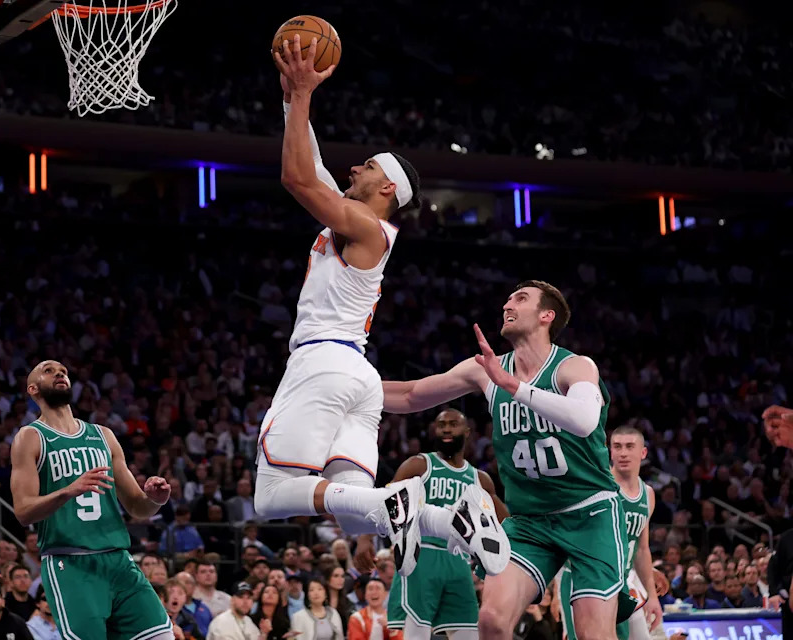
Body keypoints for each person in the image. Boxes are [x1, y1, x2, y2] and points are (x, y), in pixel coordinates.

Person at [259, 36, 429, 578]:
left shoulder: (366, 226)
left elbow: (297, 178)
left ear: (387, 189)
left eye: (370, 165)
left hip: (324, 364)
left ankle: (391, 502)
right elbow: (311, 162)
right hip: (359, 376)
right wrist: (292, 98)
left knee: (270, 496)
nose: (356, 166)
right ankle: (453, 519)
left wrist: (306, 91)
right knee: (358, 518)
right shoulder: (355, 220)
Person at [383, 281, 633, 640]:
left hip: (589, 514)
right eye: (508, 298)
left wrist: (515, 387)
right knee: (493, 622)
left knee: (593, 634)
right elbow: (410, 395)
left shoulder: (574, 367)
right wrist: (347, 391)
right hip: (531, 521)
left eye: (521, 298)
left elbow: (584, 419)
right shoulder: (487, 368)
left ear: (546, 316)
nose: (506, 304)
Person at [11, 360, 175, 640]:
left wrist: (154, 499)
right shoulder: (31, 437)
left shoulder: (103, 435)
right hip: (71, 563)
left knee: (162, 636)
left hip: (117, 559)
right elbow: (23, 511)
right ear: (33, 389)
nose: (59, 373)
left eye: (62, 370)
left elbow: (136, 506)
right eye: (48, 370)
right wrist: (67, 490)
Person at [383, 408, 508, 640]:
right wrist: (364, 539)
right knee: (416, 632)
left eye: (453, 424)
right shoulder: (419, 465)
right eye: (441, 425)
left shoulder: (479, 479)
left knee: (468, 633)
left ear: (467, 431)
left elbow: (505, 523)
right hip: (422, 554)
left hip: (459, 561)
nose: (447, 429)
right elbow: (384, 500)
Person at [560, 426, 663, 640]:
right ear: (610, 452)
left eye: (629, 446)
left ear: (643, 453)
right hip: (584, 580)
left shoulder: (648, 495)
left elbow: (641, 550)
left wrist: (652, 596)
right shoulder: (597, 486)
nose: (623, 452)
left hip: (621, 583)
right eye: (617, 446)